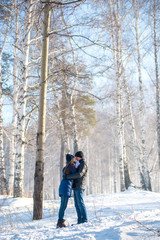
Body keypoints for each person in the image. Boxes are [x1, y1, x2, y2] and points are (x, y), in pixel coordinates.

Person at [64, 151, 88, 224]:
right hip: (76, 186)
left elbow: (79, 174)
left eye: (76, 156)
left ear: (79, 156)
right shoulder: (79, 163)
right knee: (77, 204)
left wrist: (68, 177)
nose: (75, 158)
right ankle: (80, 220)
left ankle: (84, 220)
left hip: (79, 186)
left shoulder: (83, 164)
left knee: (80, 203)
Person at [56, 154, 77, 228]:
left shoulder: (65, 167)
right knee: (63, 206)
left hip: (63, 187)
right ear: (71, 160)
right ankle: (60, 222)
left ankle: (60, 221)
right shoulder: (71, 167)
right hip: (66, 188)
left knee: (62, 205)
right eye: (74, 159)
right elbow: (76, 173)